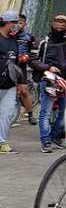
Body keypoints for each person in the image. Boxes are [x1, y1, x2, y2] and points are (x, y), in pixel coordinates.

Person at [31, 14, 66, 153]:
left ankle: (55, 137)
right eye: (57, 23)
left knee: (65, 111)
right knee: (45, 112)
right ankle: (46, 142)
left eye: (62, 24)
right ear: (52, 24)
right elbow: (32, 61)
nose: (59, 26)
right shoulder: (42, 42)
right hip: (48, 79)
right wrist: (47, 68)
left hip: (64, 81)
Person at [0, 11, 21, 154]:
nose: (16, 26)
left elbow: (16, 61)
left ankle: (1, 142)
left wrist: (20, 82)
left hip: (10, 84)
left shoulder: (13, 40)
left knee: (7, 114)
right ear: (7, 23)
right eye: (14, 23)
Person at [14, 13, 36, 125]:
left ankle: (31, 114)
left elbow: (33, 52)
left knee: (23, 90)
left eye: (20, 23)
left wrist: (27, 56)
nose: (18, 25)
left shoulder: (29, 37)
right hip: (6, 65)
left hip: (21, 66)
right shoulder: (8, 34)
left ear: (25, 24)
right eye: (16, 22)